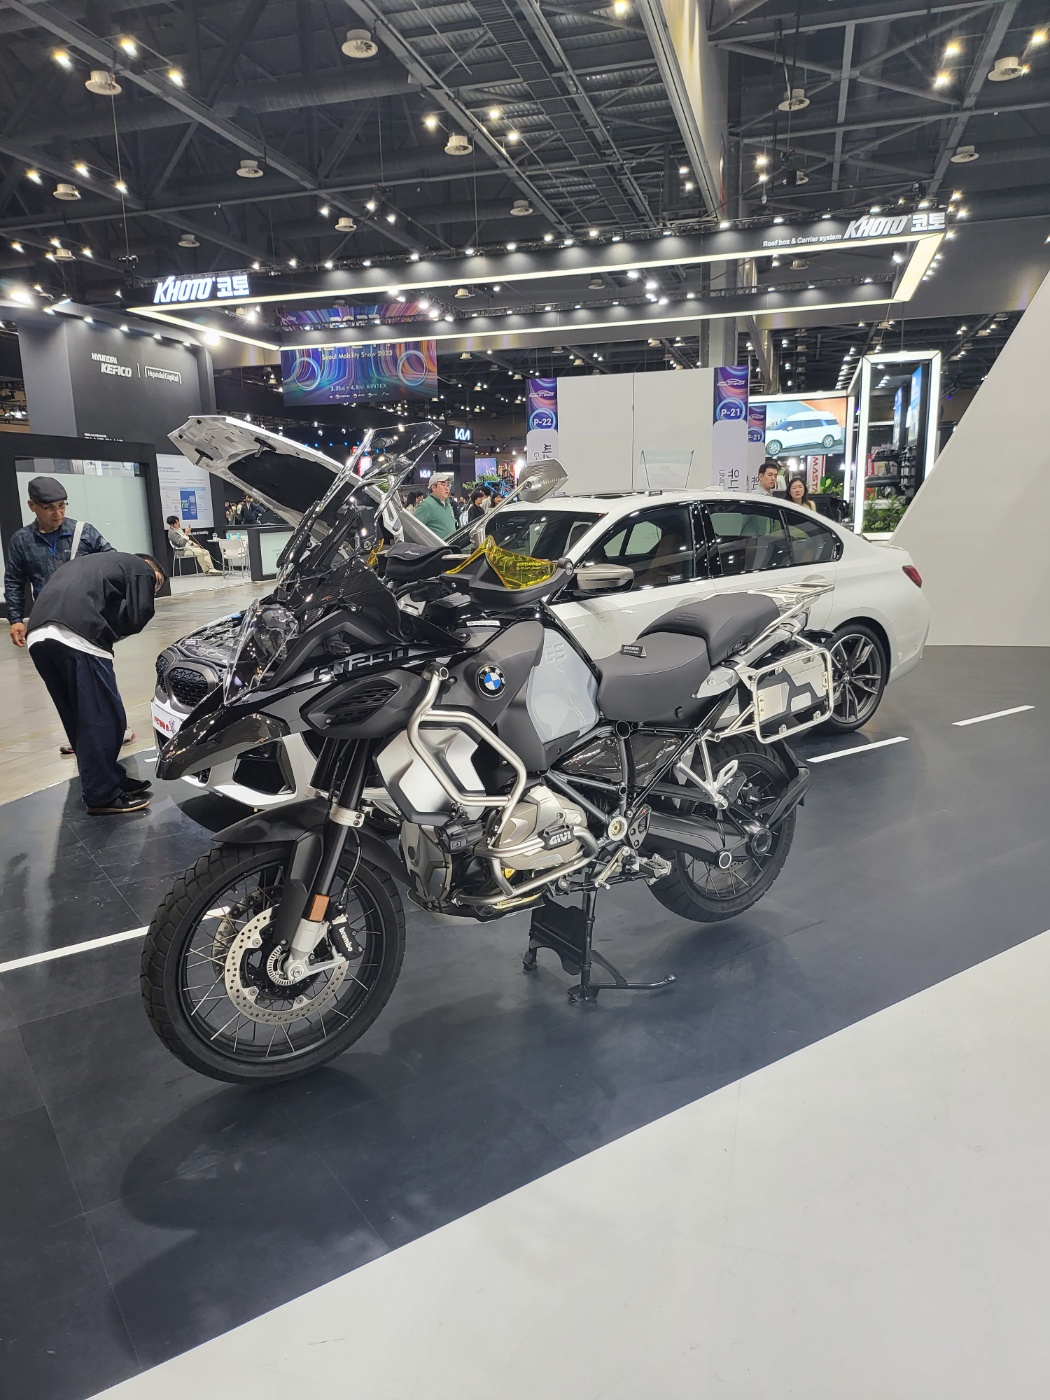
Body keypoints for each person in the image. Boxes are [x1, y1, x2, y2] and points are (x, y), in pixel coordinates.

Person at [26, 552, 166, 814]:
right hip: (78, 634)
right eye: (156, 583)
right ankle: (102, 795)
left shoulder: (97, 565)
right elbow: (140, 615)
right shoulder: (141, 567)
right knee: (105, 718)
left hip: (37, 633)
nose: (152, 588)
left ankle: (110, 779)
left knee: (79, 719)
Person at [5, 475, 114, 648]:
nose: (58, 513)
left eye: (61, 505)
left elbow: (111, 562)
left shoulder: (84, 532)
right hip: (47, 620)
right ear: (32, 506)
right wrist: (16, 619)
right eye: (49, 507)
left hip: (88, 618)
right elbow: (14, 582)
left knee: (94, 664)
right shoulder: (22, 540)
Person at [413, 474, 457, 540]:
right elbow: (413, 530)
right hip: (437, 546)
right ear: (433, 488)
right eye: (443, 485)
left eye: (448, 485)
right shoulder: (425, 506)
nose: (447, 488)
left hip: (451, 545)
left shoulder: (447, 504)